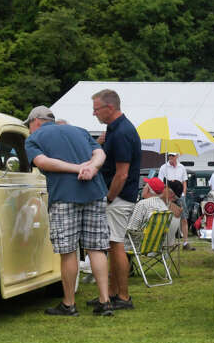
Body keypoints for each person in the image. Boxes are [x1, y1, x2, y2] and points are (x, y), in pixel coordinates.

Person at [22, 105, 114, 317]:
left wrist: (77, 168)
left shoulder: (34, 139)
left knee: (69, 251)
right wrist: (91, 168)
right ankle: (105, 301)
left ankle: (69, 304)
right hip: (95, 191)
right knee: (97, 248)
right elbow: (100, 153)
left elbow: (43, 162)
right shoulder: (79, 130)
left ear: (36, 122)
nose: (29, 130)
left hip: (64, 196)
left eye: (29, 125)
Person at [92, 88, 144, 311]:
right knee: (112, 245)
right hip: (120, 197)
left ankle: (123, 297)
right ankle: (112, 293)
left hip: (119, 197)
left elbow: (122, 173)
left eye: (97, 109)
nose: (94, 113)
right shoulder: (115, 130)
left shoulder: (122, 132)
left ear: (110, 107)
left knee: (116, 245)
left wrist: (109, 197)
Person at [158, 152, 192, 248]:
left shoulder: (182, 167)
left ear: (177, 156)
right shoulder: (163, 167)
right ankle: (166, 242)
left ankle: (185, 243)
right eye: (169, 155)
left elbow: (184, 182)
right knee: (167, 218)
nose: (170, 157)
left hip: (180, 195)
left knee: (184, 218)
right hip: (168, 195)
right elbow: (160, 182)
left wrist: (183, 194)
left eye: (172, 155)